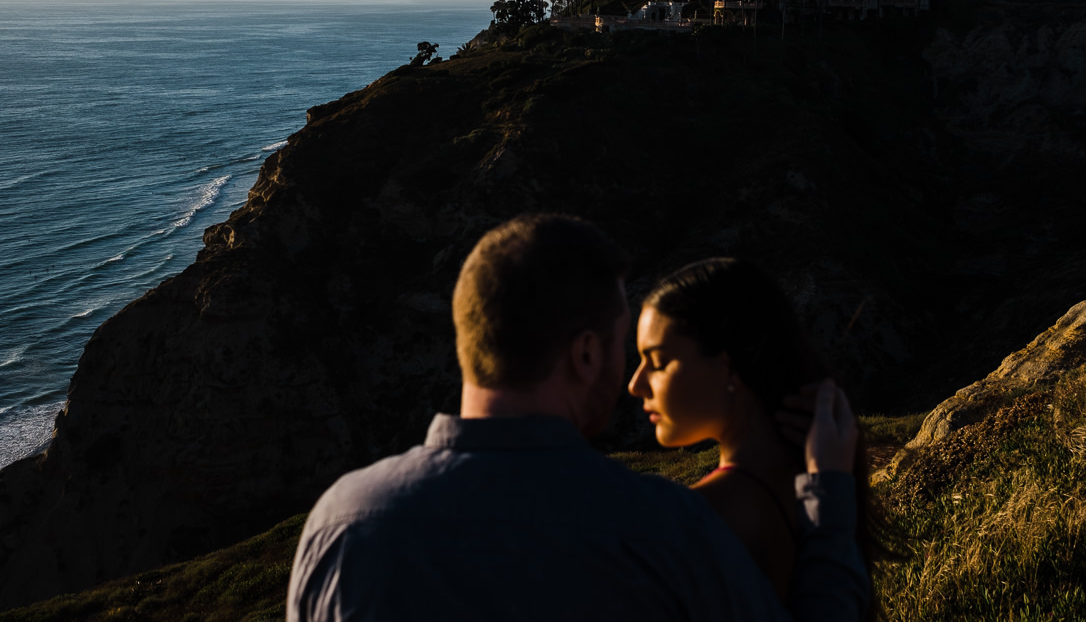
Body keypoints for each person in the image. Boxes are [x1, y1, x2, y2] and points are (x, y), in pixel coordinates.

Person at [286, 214, 870, 622]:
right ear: (587, 354)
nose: (633, 378)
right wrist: (831, 509)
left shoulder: (339, 523)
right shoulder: (664, 529)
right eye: (623, 348)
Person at [629, 257, 877, 608]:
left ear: (729, 366)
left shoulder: (700, 515)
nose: (635, 384)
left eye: (657, 362)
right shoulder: (823, 490)